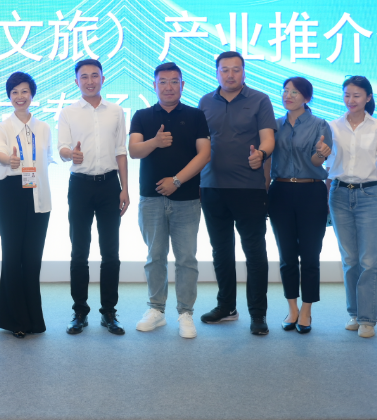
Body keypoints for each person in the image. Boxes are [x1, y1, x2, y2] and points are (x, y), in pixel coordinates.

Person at [129, 62, 211, 339]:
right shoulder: (142, 115)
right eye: (162, 82)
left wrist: (176, 180)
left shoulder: (196, 115)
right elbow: (134, 151)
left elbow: (204, 154)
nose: (168, 87)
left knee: (186, 258)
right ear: (154, 86)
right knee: (155, 256)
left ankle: (185, 313)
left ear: (182, 85)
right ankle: (156, 310)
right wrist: (154, 142)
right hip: (150, 198)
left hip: (186, 199)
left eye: (174, 81)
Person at [198, 51, 277, 335]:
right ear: (216, 72)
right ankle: (226, 307)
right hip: (211, 186)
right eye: (224, 70)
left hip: (249, 188)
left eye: (236, 69)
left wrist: (262, 155)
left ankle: (258, 313)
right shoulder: (205, 102)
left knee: (254, 252)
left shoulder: (260, 100)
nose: (230, 75)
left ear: (244, 72)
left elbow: (268, 138)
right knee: (220, 251)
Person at [58, 58, 130, 335]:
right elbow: (62, 148)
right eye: (84, 77)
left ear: (103, 78)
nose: (90, 81)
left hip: (110, 185)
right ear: (76, 81)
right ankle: (79, 311)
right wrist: (71, 154)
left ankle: (109, 312)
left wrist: (125, 187)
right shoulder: (68, 112)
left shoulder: (116, 111)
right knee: (79, 250)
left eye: (95, 75)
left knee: (111, 251)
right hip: (80, 186)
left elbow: (121, 151)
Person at [326, 75, 377, 339]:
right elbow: (328, 164)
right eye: (347, 95)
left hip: (369, 195)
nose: (351, 100)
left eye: (356, 95)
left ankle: (367, 319)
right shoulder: (332, 126)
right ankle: (354, 314)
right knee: (349, 259)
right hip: (339, 194)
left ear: (368, 97)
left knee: (368, 260)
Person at [267, 77, 333, 334]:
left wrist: (320, 153)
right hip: (280, 191)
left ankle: (306, 310)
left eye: (295, 92)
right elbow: (267, 160)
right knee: (286, 255)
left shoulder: (320, 125)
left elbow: (317, 162)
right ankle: (292, 308)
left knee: (310, 255)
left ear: (307, 97)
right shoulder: (274, 125)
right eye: (285, 91)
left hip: (311, 191)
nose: (288, 95)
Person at [0, 72, 55, 338]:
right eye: (15, 92)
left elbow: (46, 159)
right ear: (9, 96)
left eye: (25, 91)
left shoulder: (44, 128)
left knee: (32, 258)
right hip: (11, 192)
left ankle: (34, 319)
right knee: (12, 256)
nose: (20, 97)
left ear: (32, 95)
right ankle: (15, 319)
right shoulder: (2, 127)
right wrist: (9, 159)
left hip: (38, 194)